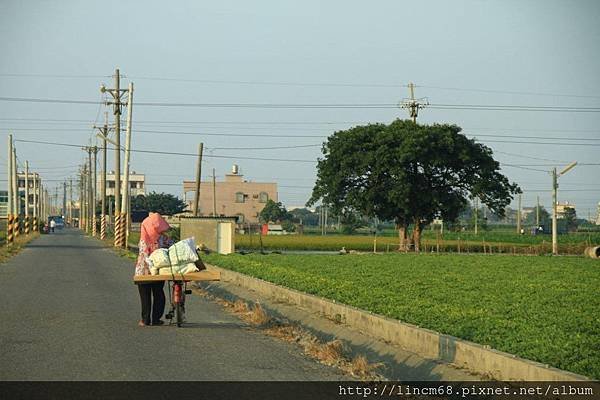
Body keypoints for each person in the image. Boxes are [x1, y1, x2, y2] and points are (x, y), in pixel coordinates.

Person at [134, 213, 173, 327]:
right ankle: (156, 319)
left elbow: (144, 254)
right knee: (159, 294)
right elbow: (173, 247)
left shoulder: (144, 239)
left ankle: (145, 320)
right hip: (158, 271)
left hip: (143, 272)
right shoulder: (164, 238)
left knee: (145, 295)